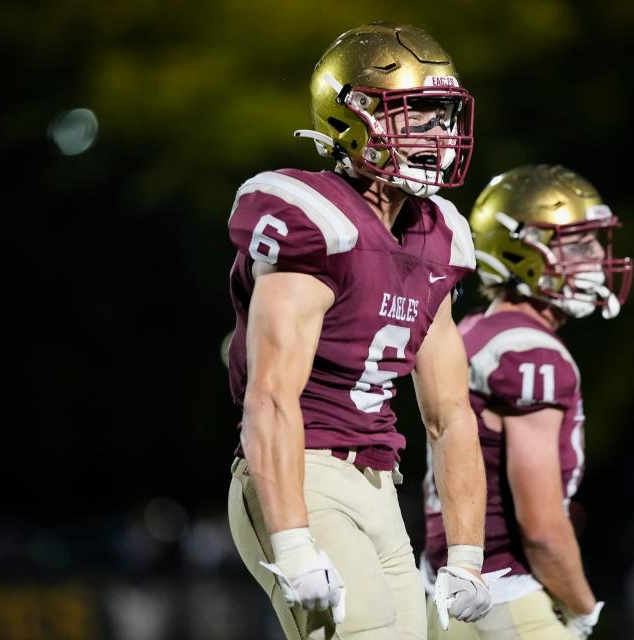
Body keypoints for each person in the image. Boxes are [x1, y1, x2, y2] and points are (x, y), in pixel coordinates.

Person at [225, 23, 496, 640]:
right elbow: (269, 396)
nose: (439, 136)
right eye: (417, 115)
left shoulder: (439, 234)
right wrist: (292, 540)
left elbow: (451, 412)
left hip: (379, 481)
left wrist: (466, 556)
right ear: (357, 119)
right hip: (301, 473)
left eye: (442, 115)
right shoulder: (313, 219)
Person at [422, 164, 634, 639]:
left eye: (595, 241)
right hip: (508, 599)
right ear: (519, 252)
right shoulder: (530, 353)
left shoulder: (471, 330)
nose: (598, 257)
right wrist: (582, 608)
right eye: (577, 244)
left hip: (448, 592)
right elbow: (540, 527)